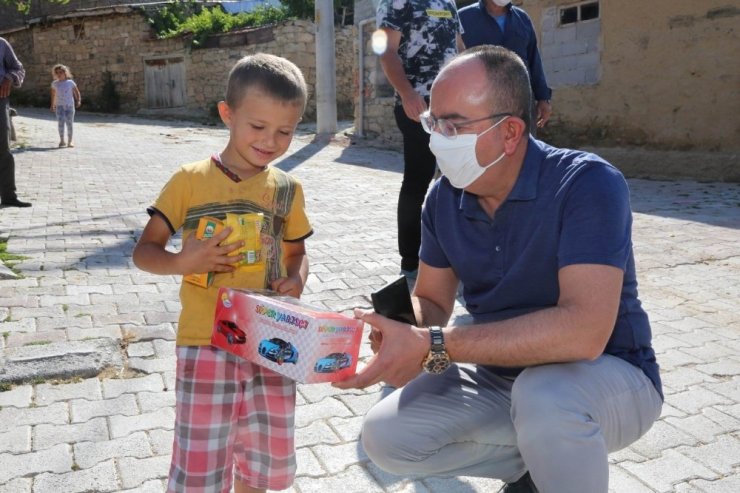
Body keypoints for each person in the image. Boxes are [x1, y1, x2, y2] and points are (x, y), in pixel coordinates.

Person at [335, 46, 662, 493]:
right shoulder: (443, 198)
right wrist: (399, 328)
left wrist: (432, 343)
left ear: (510, 132)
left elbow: (584, 333)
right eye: (433, 122)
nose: (437, 138)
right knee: (386, 438)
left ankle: (556, 453)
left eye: (453, 125)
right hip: (501, 376)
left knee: (545, 400)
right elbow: (432, 300)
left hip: (610, 376)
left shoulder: (587, 184)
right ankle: (537, 465)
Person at [132, 53, 313, 493]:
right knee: (202, 460)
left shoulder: (287, 189)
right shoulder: (189, 181)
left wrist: (297, 280)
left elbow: (297, 253)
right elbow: (144, 252)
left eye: (285, 132)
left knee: (262, 456)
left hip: (272, 344)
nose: (270, 141)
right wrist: (181, 262)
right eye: (257, 126)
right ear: (227, 114)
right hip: (205, 344)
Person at [376, 0, 465, 278]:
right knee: (418, 179)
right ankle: (410, 260)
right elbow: (387, 51)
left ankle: (459, 253)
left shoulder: (448, 2)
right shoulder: (395, 2)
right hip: (419, 106)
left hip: (455, 104)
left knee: (462, 178)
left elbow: (461, 49)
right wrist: (407, 93)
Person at [459, 0, 552, 130]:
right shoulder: (463, 18)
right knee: (488, 146)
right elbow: (455, 63)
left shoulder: (522, 18)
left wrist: (543, 98)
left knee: (523, 144)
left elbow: (533, 59)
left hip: (521, 100)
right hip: (482, 103)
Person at [0, 36, 30, 208]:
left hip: (0, 99)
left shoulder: (1, 44)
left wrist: (10, 77)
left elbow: (18, 68)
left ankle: (8, 196)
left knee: (3, 148)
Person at [50, 64, 81, 148]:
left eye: (61, 72)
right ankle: (62, 140)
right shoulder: (54, 84)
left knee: (69, 123)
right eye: (57, 73)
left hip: (69, 106)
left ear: (65, 73)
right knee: (60, 123)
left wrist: (78, 100)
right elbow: (53, 95)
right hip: (59, 106)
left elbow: (76, 92)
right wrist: (52, 105)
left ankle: (70, 141)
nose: (59, 74)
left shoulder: (70, 82)